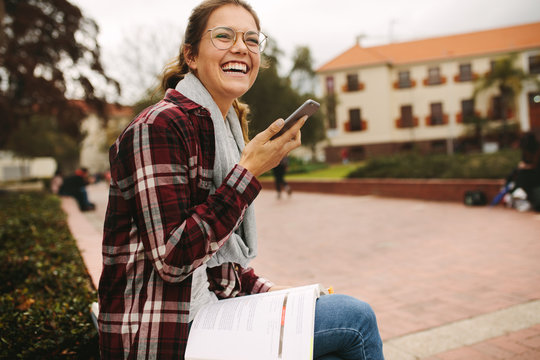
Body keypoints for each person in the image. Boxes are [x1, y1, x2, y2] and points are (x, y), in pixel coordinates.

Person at [97, 1, 384, 359]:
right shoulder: (160, 125)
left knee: (330, 328)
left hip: (208, 311)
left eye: (251, 39)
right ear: (191, 55)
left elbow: (217, 265)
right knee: (354, 321)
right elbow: (174, 257)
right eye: (223, 36)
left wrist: (277, 292)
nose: (240, 47)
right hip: (163, 332)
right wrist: (247, 173)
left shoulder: (224, 129)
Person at [504, 132, 540, 211]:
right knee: (516, 173)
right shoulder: (525, 151)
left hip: (535, 175)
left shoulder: (537, 150)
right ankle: (509, 190)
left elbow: (535, 165)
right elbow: (524, 161)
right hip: (527, 174)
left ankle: (512, 191)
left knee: (521, 175)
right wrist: (522, 165)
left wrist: (526, 166)